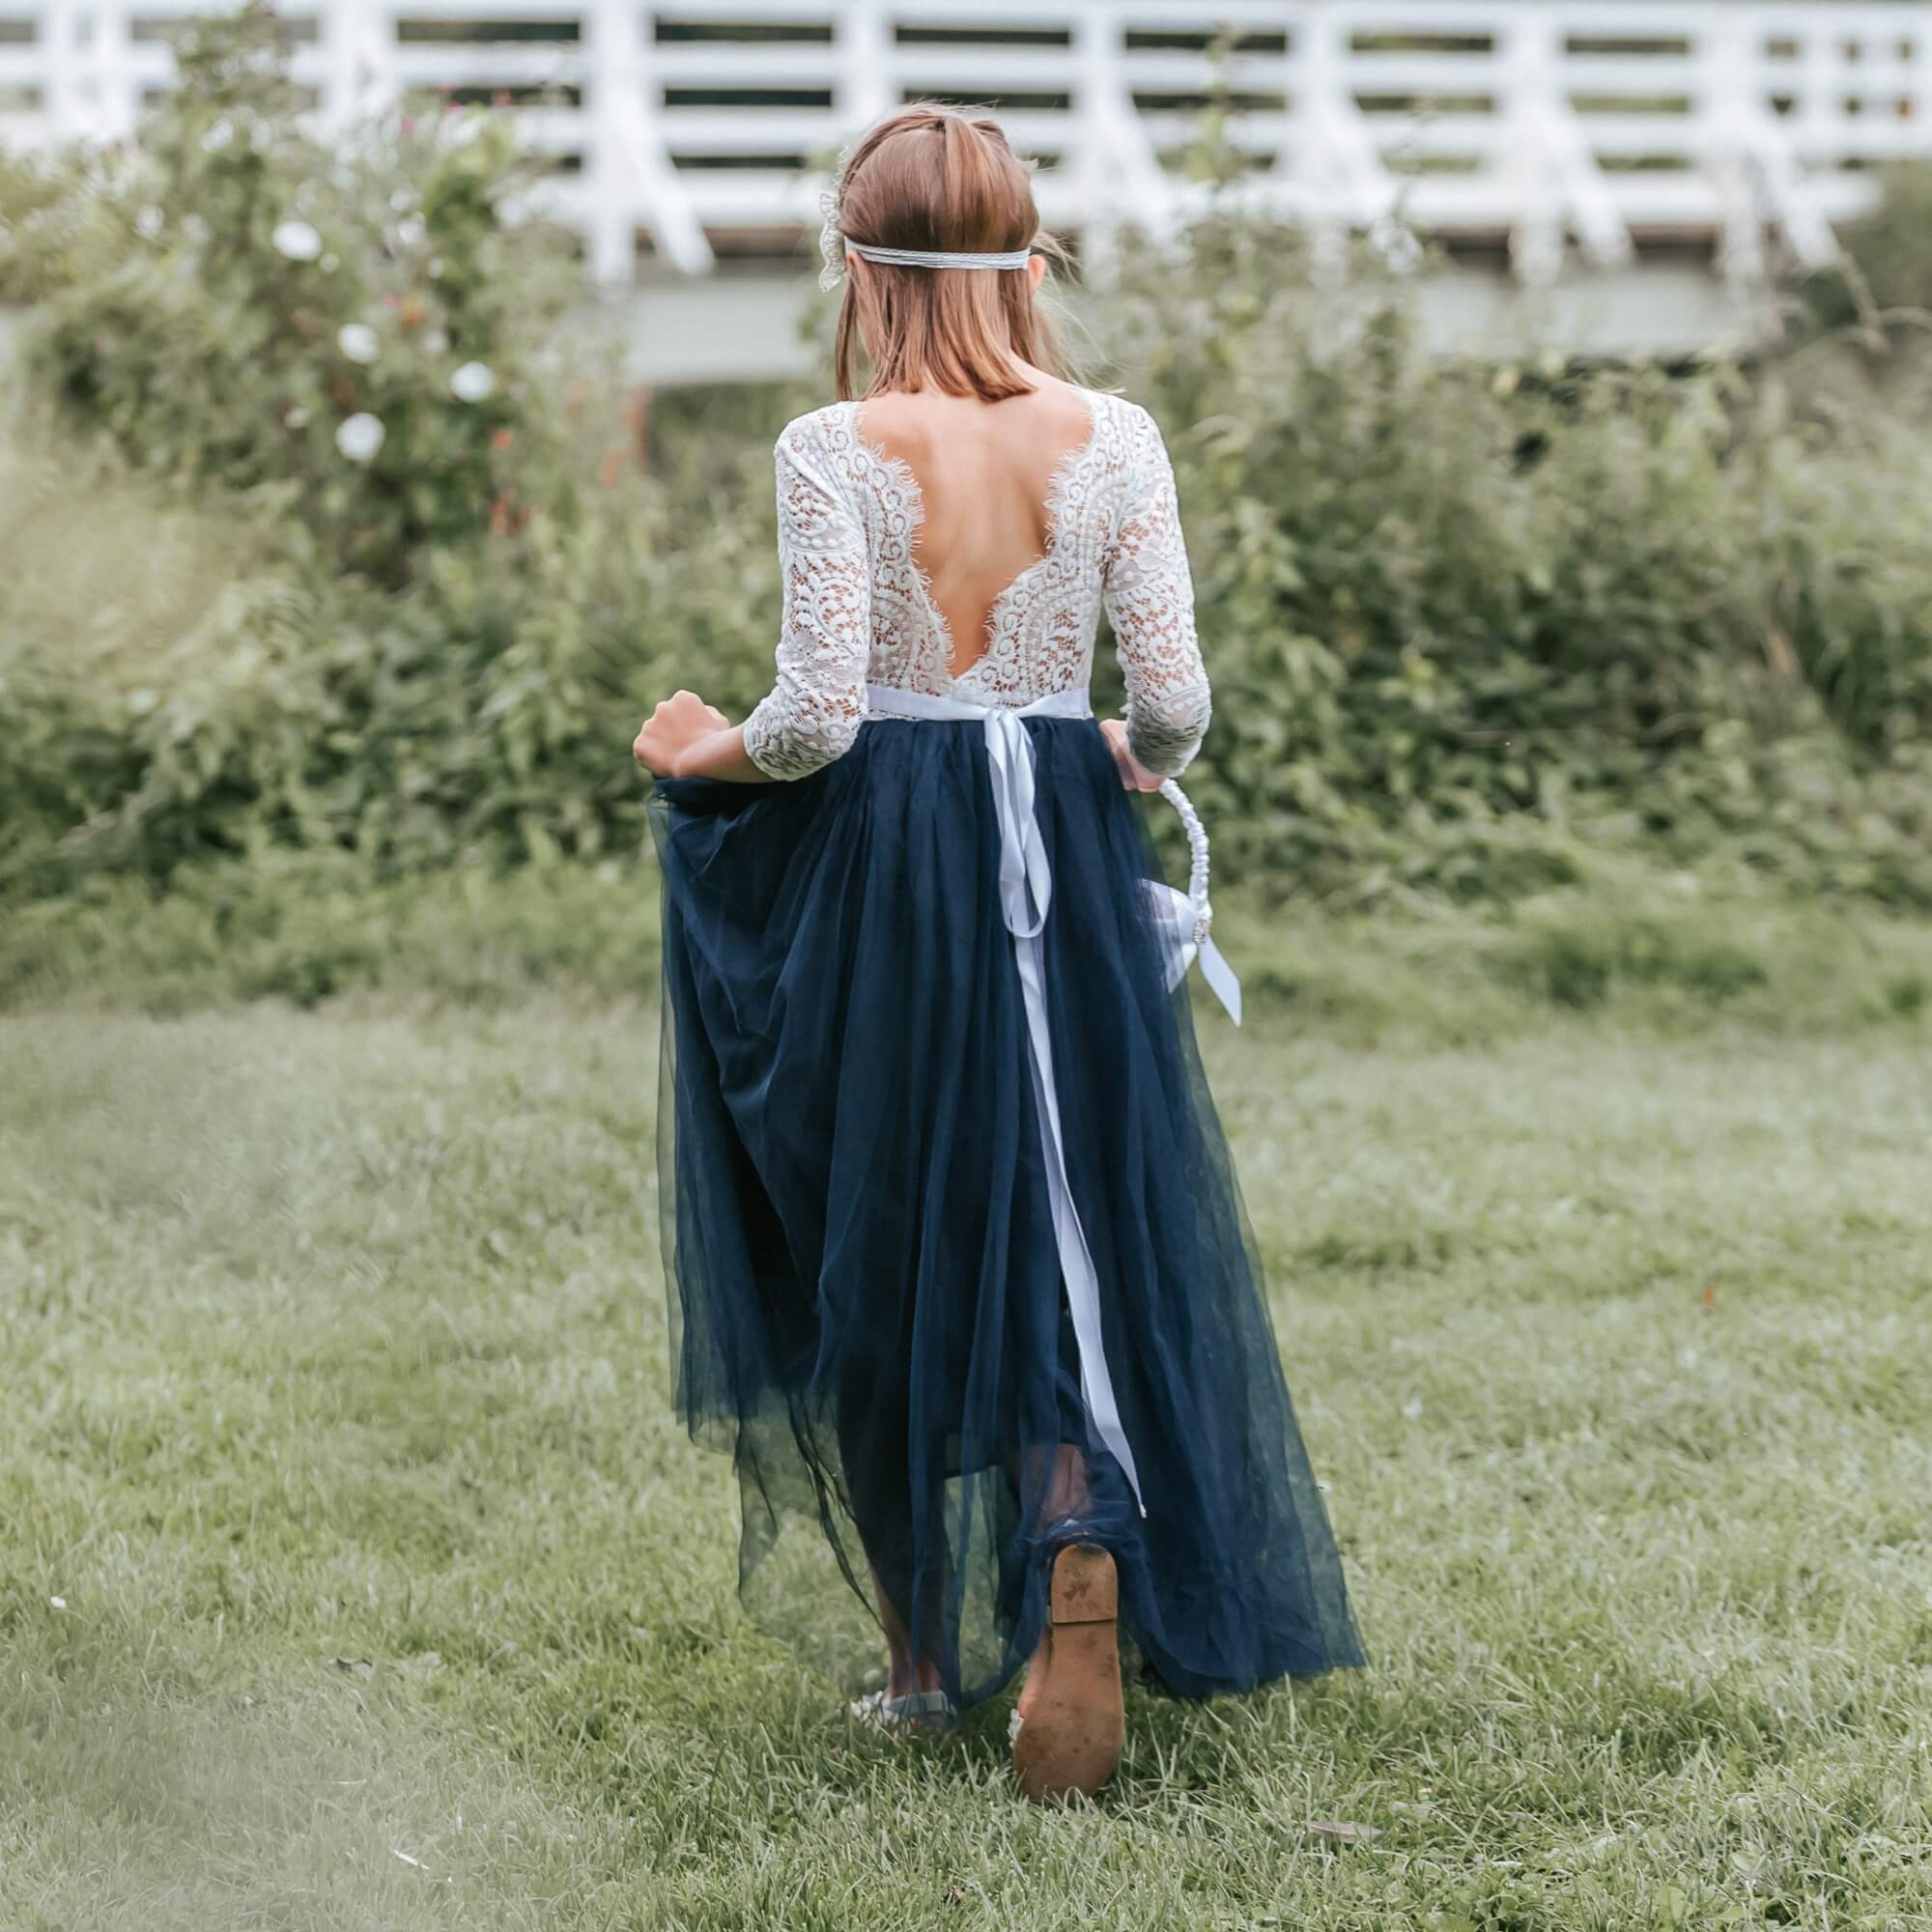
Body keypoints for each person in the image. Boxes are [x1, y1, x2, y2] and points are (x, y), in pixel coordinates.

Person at [632, 102, 1364, 1804]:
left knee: (886, 1217)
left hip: (896, 864)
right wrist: (1107, 751)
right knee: (1070, 1206)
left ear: (858, 266)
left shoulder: (834, 445)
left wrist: (693, 750)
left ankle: (917, 1667)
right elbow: (1172, 705)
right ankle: (1076, 1521)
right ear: (1031, 258)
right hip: (1063, 838)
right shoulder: (1119, 438)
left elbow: (815, 720)